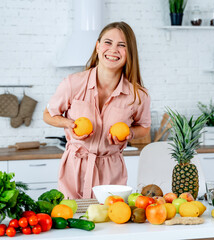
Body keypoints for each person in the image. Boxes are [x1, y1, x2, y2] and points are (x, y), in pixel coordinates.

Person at [43, 21, 151, 199]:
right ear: (98, 46)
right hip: (74, 168)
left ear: (129, 53)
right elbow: (48, 114)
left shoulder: (138, 95)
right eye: (108, 42)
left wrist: (129, 134)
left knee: (109, 222)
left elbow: (144, 127)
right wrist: (68, 124)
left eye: (122, 45)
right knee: (72, 220)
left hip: (111, 171)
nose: (113, 49)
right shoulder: (73, 83)